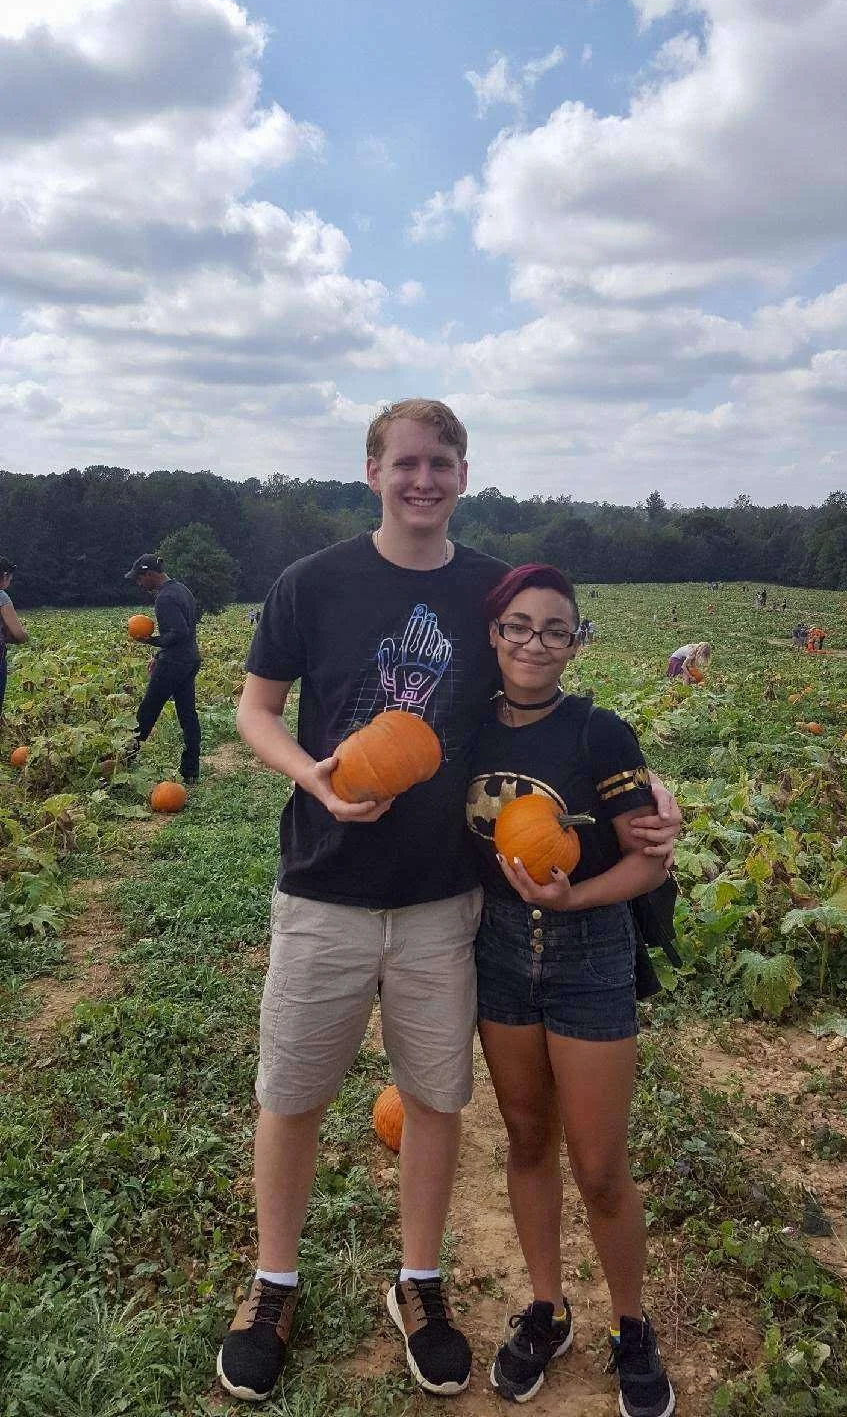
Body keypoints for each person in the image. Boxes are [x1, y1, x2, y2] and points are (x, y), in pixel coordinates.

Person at [218, 398, 683, 1404]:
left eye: (442, 463)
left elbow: (538, 705)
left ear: (465, 474)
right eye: (405, 463)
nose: (423, 480)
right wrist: (313, 775)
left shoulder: (488, 593)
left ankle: (420, 1283)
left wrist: (645, 806)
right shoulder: (313, 583)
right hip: (325, 888)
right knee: (291, 1094)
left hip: (444, 902)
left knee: (434, 1098)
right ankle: (273, 1284)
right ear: (372, 469)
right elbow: (254, 708)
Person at [465, 565, 674, 1417]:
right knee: (523, 1138)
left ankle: (632, 1326)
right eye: (519, 626)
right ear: (495, 635)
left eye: (556, 629)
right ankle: (547, 1310)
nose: (534, 644)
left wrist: (575, 896)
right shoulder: (469, 729)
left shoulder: (599, 732)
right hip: (499, 951)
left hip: (588, 951)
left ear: (577, 642)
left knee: (599, 1166)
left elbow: (646, 854)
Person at [124, 554, 201, 782]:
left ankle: (123, 762)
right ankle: (191, 770)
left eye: (140, 578)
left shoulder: (165, 597)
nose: (139, 583)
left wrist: (149, 641)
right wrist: (159, 653)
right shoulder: (182, 590)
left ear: (150, 574)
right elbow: (183, 632)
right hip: (189, 659)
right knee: (188, 714)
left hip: (174, 663)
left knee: (147, 711)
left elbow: (178, 633)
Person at [0, 557, 29, 719]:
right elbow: (18, 634)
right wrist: (24, 637)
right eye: (9, 578)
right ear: (4, 576)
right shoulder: (1, 597)